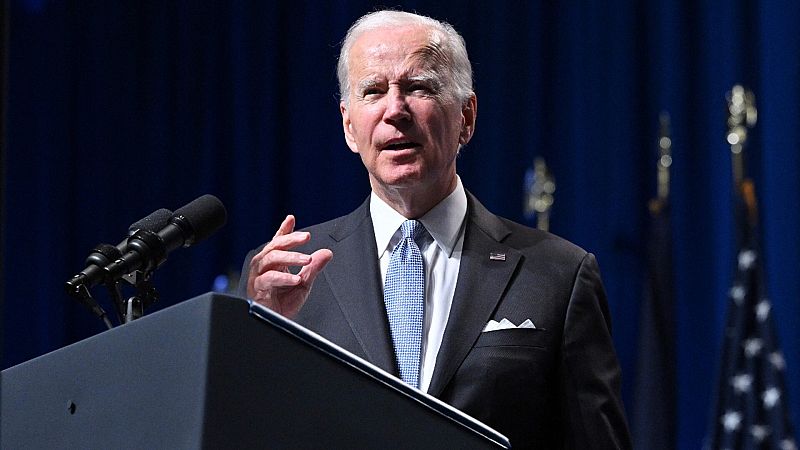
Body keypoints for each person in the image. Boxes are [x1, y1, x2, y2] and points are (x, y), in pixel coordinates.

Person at [239, 9, 632, 449]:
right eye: (373, 91)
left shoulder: (559, 275)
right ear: (349, 125)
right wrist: (256, 333)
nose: (395, 110)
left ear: (466, 116)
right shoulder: (286, 276)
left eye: (419, 87)